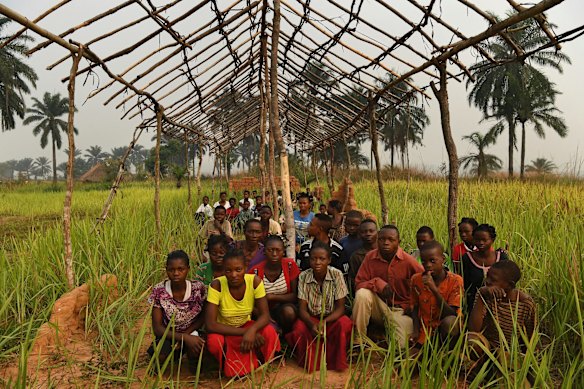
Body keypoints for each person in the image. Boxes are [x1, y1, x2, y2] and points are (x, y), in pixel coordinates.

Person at [205, 250, 281, 377]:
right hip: (225, 331)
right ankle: (223, 364)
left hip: (246, 325)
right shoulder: (217, 285)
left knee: (269, 331)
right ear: (223, 270)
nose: (233, 274)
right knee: (214, 342)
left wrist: (252, 330)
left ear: (246, 267)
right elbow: (211, 325)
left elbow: (265, 315)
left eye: (238, 269)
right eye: (228, 271)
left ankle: (262, 360)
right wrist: (247, 332)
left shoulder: (255, 281)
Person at [352, 225, 424, 348]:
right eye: (382, 239)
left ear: (398, 242)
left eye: (391, 240)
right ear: (377, 240)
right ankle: (358, 341)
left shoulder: (409, 261)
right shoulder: (370, 257)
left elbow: (423, 287)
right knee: (362, 294)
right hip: (379, 307)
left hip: (401, 310)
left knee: (401, 346)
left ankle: (383, 334)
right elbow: (358, 284)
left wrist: (413, 306)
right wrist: (376, 283)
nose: (386, 243)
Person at [285, 242, 353, 372]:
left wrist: (324, 322)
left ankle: (336, 361)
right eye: (313, 259)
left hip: (331, 319)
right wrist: (312, 324)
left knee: (344, 323)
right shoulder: (304, 276)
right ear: (309, 260)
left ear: (329, 260)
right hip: (311, 318)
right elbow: (302, 309)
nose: (317, 262)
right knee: (299, 328)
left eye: (322, 259)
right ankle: (311, 363)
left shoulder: (336, 274)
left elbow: (340, 308)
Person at [467, 261, 536, 380]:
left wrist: (528, 364)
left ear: (509, 285)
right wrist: (481, 298)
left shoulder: (525, 304)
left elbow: (529, 337)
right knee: (472, 340)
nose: (487, 281)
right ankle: (482, 369)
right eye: (487, 276)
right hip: (487, 349)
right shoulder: (485, 294)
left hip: (507, 353)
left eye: (492, 280)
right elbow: (473, 330)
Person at [148, 250, 207, 370]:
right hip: (168, 335)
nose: (176, 273)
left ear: (188, 269)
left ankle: (192, 360)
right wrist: (183, 338)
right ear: (166, 270)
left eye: (181, 269)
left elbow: (203, 316)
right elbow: (157, 328)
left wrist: (187, 336)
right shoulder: (159, 291)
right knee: (159, 359)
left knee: (200, 357)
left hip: (192, 331)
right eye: (171, 270)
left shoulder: (198, 288)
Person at [410, 240, 462, 352]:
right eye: (424, 262)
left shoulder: (455, 281)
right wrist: (415, 331)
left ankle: (447, 354)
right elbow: (414, 307)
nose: (428, 265)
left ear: (443, 259)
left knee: (450, 322)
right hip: (425, 333)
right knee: (408, 362)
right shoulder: (416, 280)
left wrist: (434, 289)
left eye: (433, 261)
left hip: (444, 332)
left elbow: (451, 314)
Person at [248, 235, 299, 333]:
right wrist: (262, 315)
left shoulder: (289, 265)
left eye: (278, 250)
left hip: (283, 307)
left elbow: (294, 296)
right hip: (261, 310)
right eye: (270, 250)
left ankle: (285, 335)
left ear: (283, 251)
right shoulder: (255, 271)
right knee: (269, 329)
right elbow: (248, 301)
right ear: (264, 251)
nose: (274, 254)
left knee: (289, 312)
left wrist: (271, 297)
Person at [461, 224, 508, 313]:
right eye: (477, 240)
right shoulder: (467, 258)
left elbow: (508, 281)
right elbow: (465, 284)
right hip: (475, 304)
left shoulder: (501, 257)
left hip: (500, 302)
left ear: (492, 240)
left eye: (484, 240)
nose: (481, 243)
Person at [348, 219, 377, 294]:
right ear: (359, 235)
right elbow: (353, 279)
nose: (368, 234)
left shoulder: (385, 252)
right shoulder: (356, 256)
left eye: (371, 231)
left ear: (377, 233)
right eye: (364, 232)